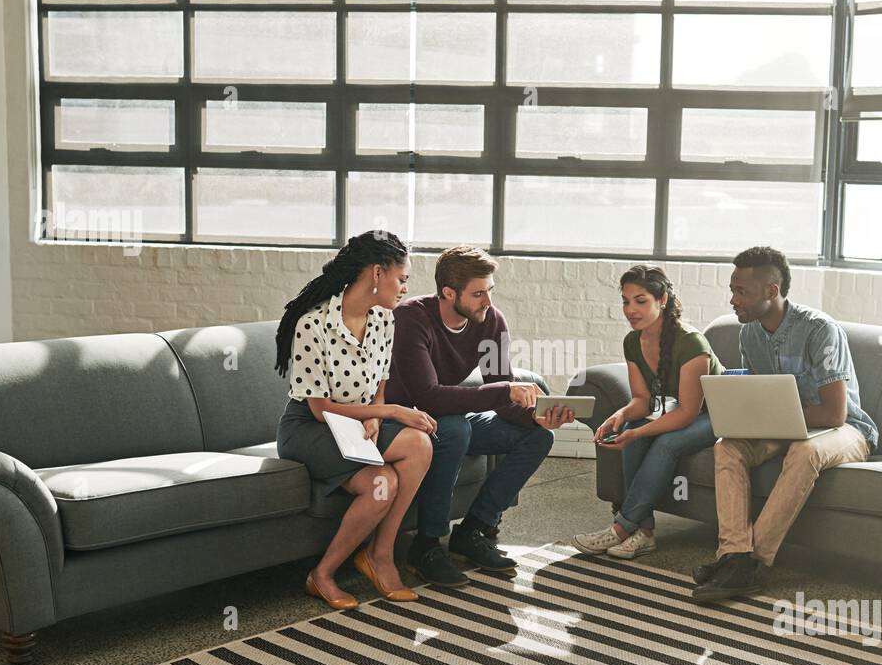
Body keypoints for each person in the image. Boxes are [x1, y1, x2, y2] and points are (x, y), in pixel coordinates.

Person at [693, 246, 879, 603]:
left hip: (848, 432)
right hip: (785, 426)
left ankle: (751, 565)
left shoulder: (819, 330)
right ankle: (733, 554)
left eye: (740, 291)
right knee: (727, 446)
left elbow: (834, 414)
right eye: (732, 290)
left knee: (804, 450)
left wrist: (772, 417)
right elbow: (761, 398)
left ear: (771, 292)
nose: (733, 300)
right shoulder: (748, 334)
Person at [386, 245, 575, 587]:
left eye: (489, 291)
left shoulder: (490, 320)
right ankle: (426, 546)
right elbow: (426, 395)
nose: (487, 301)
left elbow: (500, 395)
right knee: (456, 430)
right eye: (477, 294)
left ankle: (473, 531)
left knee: (537, 437)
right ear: (448, 292)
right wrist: (506, 391)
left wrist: (535, 416)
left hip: (445, 417)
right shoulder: (411, 319)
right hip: (404, 420)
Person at [274, 231, 438, 611]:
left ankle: (376, 556)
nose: (404, 288)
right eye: (402, 278)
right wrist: (391, 412)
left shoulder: (384, 321)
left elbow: (378, 386)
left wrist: (378, 416)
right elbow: (320, 409)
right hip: (310, 429)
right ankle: (327, 575)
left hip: (358, 424)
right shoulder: (313, 325)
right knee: (413, 442)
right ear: (378, 274)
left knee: (386, 479)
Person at [572, 265, 723, 560]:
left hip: (717, 414)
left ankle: (621, 527)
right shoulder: (632, 341)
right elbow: (641, 399)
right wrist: (621, 416)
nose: (631, 309)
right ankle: (645, 533)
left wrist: (638, 430)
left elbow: (689, 412)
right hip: (683, 412)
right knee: (633, 431)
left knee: (665, 442)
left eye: (640, 301)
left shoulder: (692, 342)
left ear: (662, 300)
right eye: (626, 301)